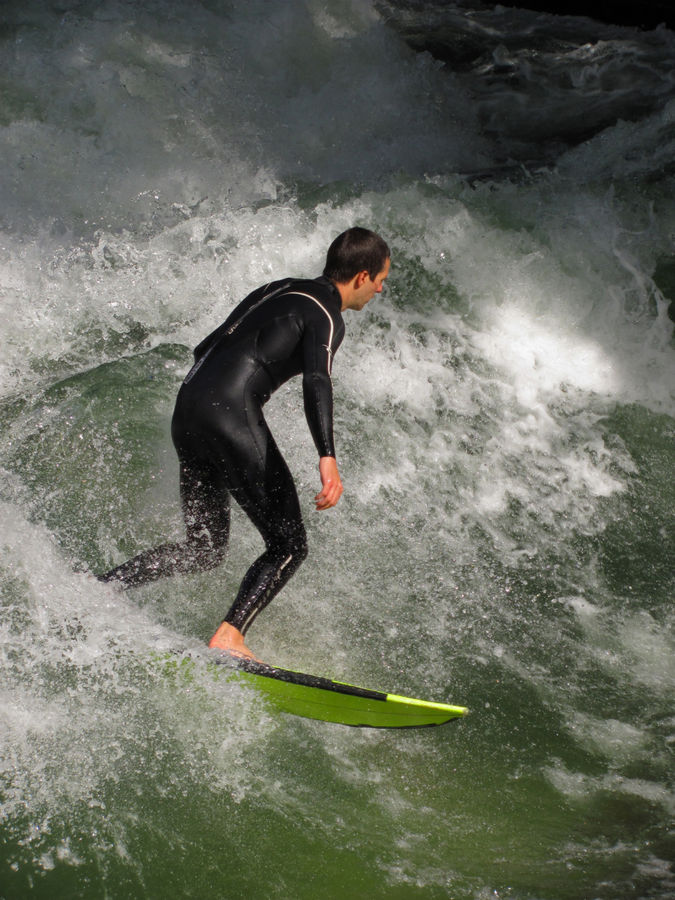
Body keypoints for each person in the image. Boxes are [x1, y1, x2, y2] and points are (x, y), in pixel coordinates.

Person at [99, 227, 390, 659]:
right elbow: (317, 378)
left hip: (189, 411)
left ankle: (103, 588)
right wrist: (327, 456)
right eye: (382, 279)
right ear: (362, 276)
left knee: (203, 548)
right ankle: (230, 635)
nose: (381, 289)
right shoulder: (327, 314)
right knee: (289, 546)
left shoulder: (278, 289)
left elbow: (205, 347)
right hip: (229, 415)